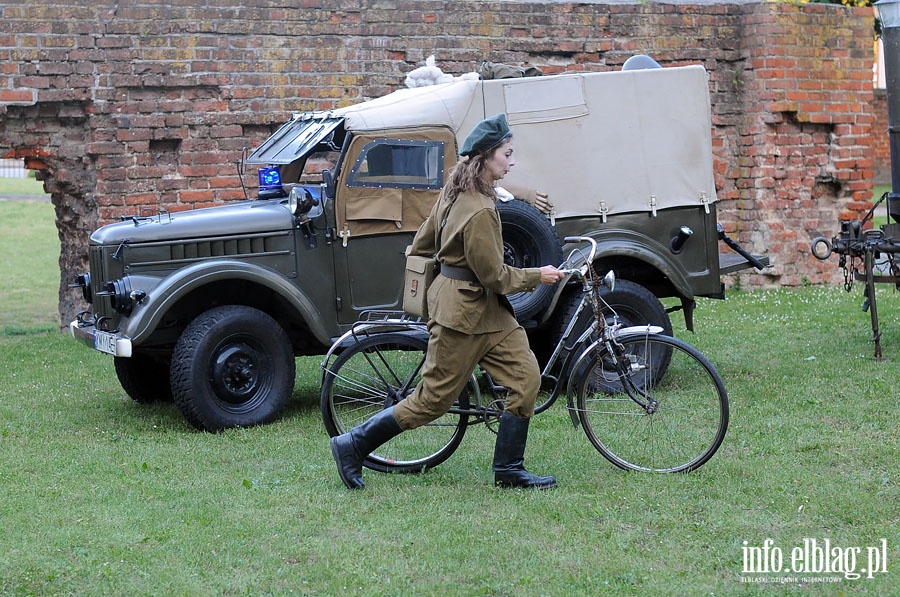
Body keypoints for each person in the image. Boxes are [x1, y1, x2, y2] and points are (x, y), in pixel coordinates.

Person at [330, 113, 564, 490]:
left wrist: (442, 277)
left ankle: (509, 470)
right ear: (487, 157)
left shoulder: (456, 192)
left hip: (486, 312)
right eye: (507, 154)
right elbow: (496, 276)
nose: (513, 161)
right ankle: (352, 445)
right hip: (462, 315)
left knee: (525, 379)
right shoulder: (481, 211)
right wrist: (541, 275)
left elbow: (421, 245)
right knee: (431, 401)